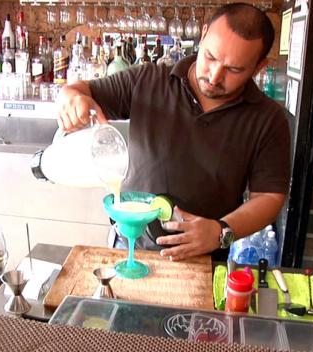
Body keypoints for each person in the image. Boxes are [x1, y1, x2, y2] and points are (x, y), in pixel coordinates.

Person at [56, 3, 291, 262]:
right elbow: (82, 90)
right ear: (202, 36)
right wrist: (70, 95)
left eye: (234, 70)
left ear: (259, 67)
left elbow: (268, 196)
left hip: (204, 257)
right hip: (128, 243)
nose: (214, 76)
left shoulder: (268, 119)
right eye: (210, 57)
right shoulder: (148, 80)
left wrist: (220, 231)